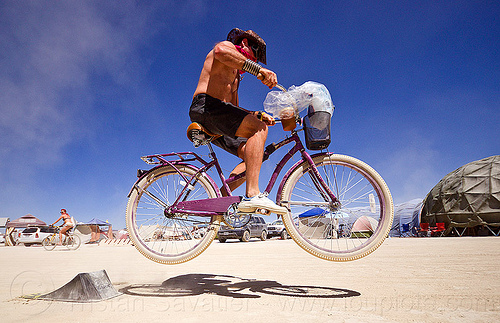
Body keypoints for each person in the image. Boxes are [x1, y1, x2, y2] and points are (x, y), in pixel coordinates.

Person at [189, 28, 287, 215]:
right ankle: (252, 194)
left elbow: (234, 111)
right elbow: (220, 52)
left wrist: (257, 114)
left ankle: (222, 197)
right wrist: (258, 70)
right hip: (206, 107)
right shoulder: (226, 48)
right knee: (259, 130)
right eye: (256, 53)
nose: (256, 60)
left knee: (254, 155)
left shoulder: (236, 78)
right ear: (244, 43)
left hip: (218, 115)